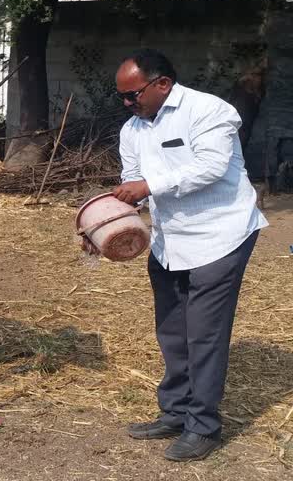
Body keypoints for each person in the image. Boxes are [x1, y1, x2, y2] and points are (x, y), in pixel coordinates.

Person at [111, 49, 267, 461]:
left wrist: (148, 186)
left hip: (220, 235)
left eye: (134, 95)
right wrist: (107, 225)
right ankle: (175, 412)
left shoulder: (210, 111)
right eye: (122, 98)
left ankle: (204, 426)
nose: (128, 104)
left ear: (162, 84)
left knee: (204, 333)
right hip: (169, 241)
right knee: (172, 331)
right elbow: (131, 182)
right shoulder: (133, 129)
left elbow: (211, 167)